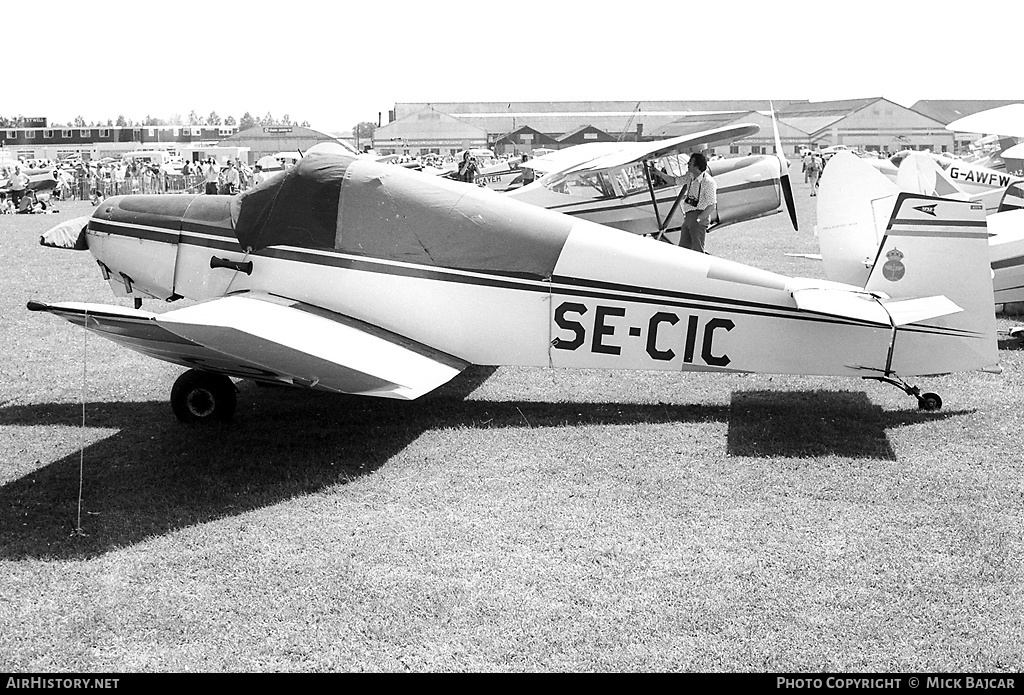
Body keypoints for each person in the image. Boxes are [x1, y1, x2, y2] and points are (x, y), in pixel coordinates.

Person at [678, 152, 717, 254]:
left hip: (698, 216)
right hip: (688, 217)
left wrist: (698, 219)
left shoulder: (708, 182)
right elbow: (675, 181)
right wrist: (658, 173)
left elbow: (711, 205)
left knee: (697, 250)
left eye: (690, 163)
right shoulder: (690, 177)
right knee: (683, 249)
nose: (688, 164)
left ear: (697, 166)